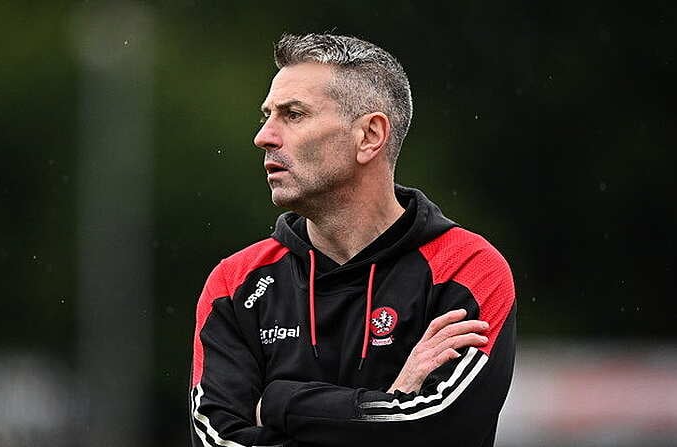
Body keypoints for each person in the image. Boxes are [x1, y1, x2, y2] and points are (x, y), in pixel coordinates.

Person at [189, 33, 516, 447]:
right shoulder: (235, 282)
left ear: (369, 136)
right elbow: (218, 441)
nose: (265, 136)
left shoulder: (467, 267)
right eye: (266, 116)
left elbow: (439, 431)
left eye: (293, 114)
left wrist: (279, 402)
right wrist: (392, 404)